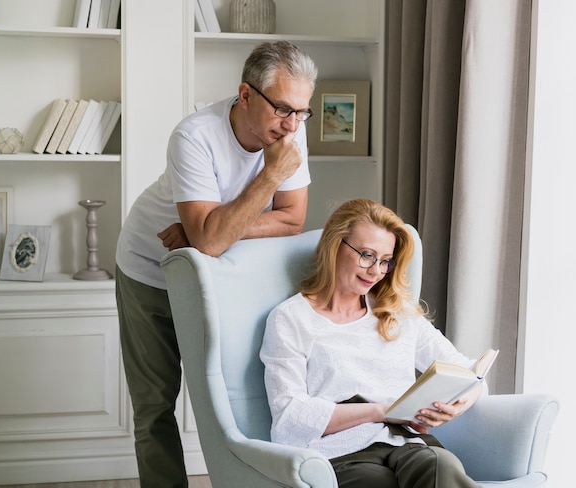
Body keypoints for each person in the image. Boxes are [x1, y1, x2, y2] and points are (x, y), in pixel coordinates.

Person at [115, 41, 318, 487]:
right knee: (155, 404)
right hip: (151, 268)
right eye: (283, 108)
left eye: (302, 112)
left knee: (233, 396)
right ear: (245, 95)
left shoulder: (289, 130)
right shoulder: (194, 136)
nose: (292, 125)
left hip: (222, 273)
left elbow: (293, 219)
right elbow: (214, 237)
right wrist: (268, 178)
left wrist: (207, 231)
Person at [260, 199, 483, 488]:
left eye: (385, 261)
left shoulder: (396, 312)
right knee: (377, 483)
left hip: (406, 443)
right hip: (339, 451)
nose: (376, 270)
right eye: (367, 255)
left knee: (441, 464)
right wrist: (383, 411)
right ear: (334, 245)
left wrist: (460, 404)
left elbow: (469, 372)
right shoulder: (290, 318)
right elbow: (289, 416)